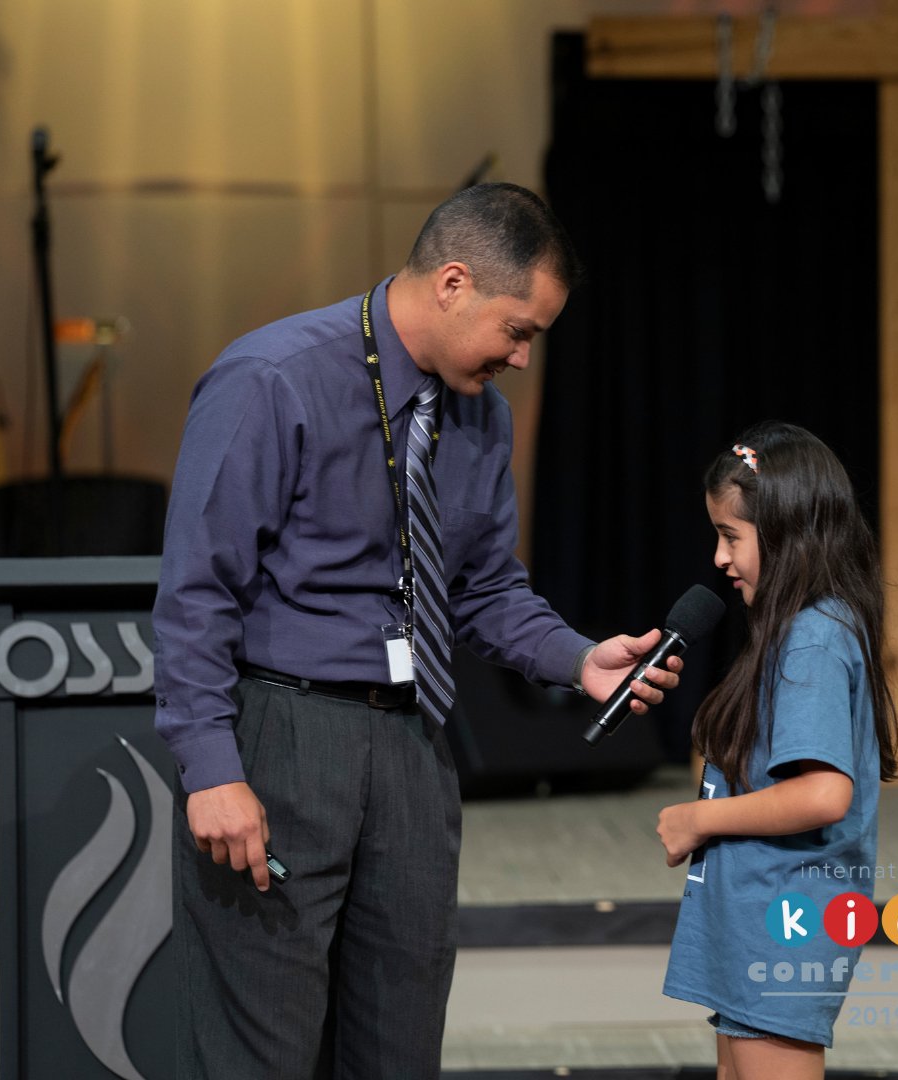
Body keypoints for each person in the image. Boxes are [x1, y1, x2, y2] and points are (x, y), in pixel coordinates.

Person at [152, 182, 682, 1079]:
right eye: (518, 330)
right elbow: (197, 591)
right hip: (284, 740)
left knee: (398, 1043)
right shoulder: (274, 378)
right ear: (452, 282)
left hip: (412, 750)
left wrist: (581, 659)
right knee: (262, 1048)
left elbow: (481, 587)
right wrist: (212, 769)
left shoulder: (479, 413)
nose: (521, 358)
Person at [657, 422, 898, 1080]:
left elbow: (823, 794)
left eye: (731, 536)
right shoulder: (798, 630)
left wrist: (696, 818)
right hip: (753, 916)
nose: (719, 558)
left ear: (791, 533)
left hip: (783, 921)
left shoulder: (815, 639)